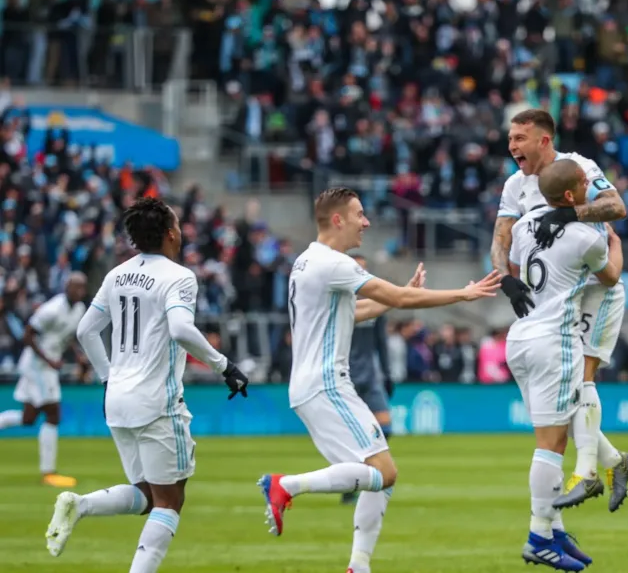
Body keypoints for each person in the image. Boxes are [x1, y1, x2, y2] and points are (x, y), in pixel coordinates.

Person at [257, 187, 500, 573]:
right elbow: (400, 301)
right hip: (326, 385)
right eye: (359, 214)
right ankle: (286, 485)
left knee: (380, 475)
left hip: (310, 385)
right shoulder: (333, 263)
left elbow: (355, 312)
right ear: (338, 220)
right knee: (382, 472)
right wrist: (463, 294)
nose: (366, 222)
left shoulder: (306, 262)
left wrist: (401, 293)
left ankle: (358, 565)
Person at [46, 197, 250, 573]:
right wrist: (225, 366)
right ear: (172, 233)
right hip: (157, 401)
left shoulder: (117, 274)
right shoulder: (179, 276)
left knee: (146, 494)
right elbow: (180, 329)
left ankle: (82, 504)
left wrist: (108, 376)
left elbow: (86, 330)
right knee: (170, 501)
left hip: (118, 400)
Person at [491, 109, 628, 512]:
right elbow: (501, 237)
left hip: (596, 284)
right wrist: (505, 277)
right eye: (511, 137)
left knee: (582, 376)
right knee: (566, 394)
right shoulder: (515, 185)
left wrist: (572, 213)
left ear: (543, 140)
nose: (512, 144)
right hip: (555, 292)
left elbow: (616, 206)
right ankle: (616, 462)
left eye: (520, 137)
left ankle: (588, 471)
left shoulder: (579, 168)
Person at [506, 159, 624, 571]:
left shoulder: (523, 227)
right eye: (584, 187)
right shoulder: (583, 237)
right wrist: (615, 244)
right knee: (552, 444)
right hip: (555, 340)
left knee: (562, 423)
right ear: (573, 195)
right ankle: (539, 536)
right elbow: (610, 278)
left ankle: (555, 529)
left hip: (518, 338)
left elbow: (514, 266)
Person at [0, 274, 88, 487]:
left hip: (47, 366)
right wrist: (49, 359)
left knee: (28, 418)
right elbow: (27, 336)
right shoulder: (52, 309)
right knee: (53, 413)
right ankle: (48, 472)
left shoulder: (79, 310)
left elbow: (67, 337)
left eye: (83, 288)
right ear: (66, 287)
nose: (80, 292)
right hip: (37, 367)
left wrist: (77, 356)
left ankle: (48, 472)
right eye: (76, 287)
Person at [341, 253, 396, 505]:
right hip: (345, 376)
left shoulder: (376, 301)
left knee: (386, 428)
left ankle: (363, 474)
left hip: (371, 376)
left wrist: (387, 372)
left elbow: (381, 343)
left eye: (364, 269)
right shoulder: (338, 300)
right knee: (352, 434)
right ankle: (350, 483)